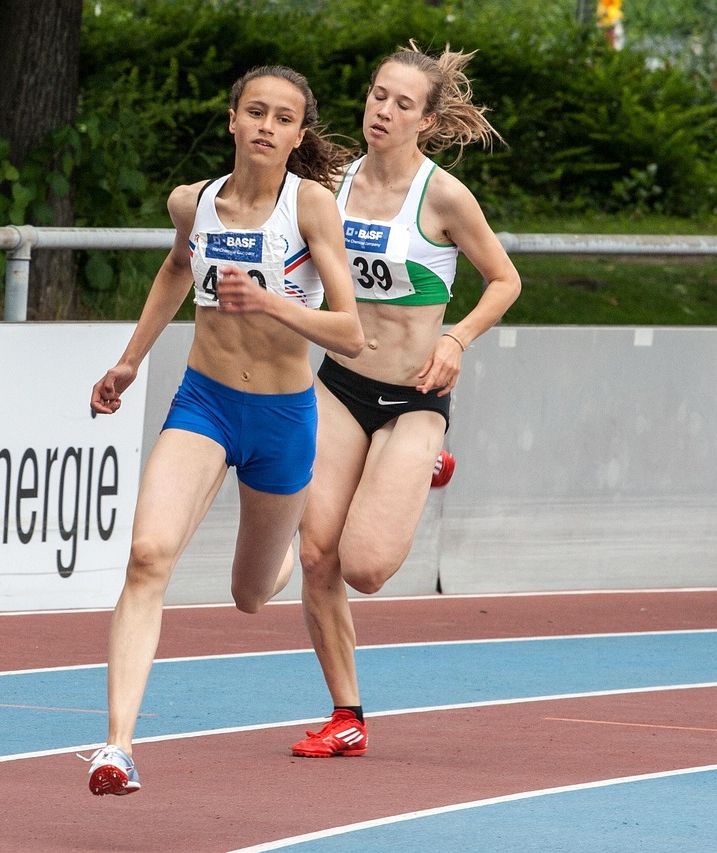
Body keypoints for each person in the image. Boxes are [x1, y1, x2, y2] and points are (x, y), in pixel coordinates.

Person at [84, 66, 366, 795]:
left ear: (300, 134)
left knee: (248, 593)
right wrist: (128, 360)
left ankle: (284, 551)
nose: (268, 127)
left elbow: (351, 332)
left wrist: (274, 304)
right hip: (204, 401)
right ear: (233, 119)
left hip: (282, 416)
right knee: (148, 556)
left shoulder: (310, 209)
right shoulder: (194, 201)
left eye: (284, 118)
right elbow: (177, 268)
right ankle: (117, 746)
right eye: (257, 112)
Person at [290, 42, 520, 759]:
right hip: (340, 383)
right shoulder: (330, 182)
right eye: (376, 95)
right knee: (317, 552)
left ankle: (426, 460)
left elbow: (504, 280)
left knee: (366, 566)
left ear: (426, 118)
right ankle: (346, 712)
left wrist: (457, 338)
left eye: (401, 103)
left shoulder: (443, 195)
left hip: (415, 396)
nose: (382, 111)